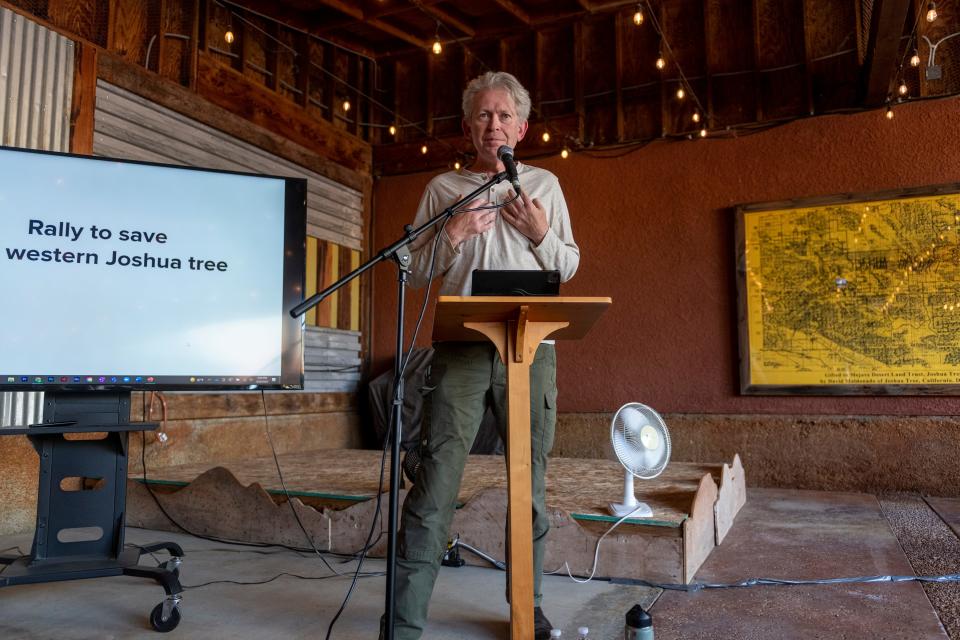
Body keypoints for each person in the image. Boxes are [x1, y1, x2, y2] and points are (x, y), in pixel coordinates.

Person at [390, 71, 580, 640]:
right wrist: (449, 235)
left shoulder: (544, 187)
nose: (493, 124)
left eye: (504, 116)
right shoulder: (443, 190)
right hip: (462, 350)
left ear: (521, 128)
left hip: (530, 351)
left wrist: (542, 233)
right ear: (468, 126)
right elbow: (411, 269)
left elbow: (567, 266)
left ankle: (529, 606)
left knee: (530, 487)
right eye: (483, 115)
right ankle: (403, 621)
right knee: (435, 482)